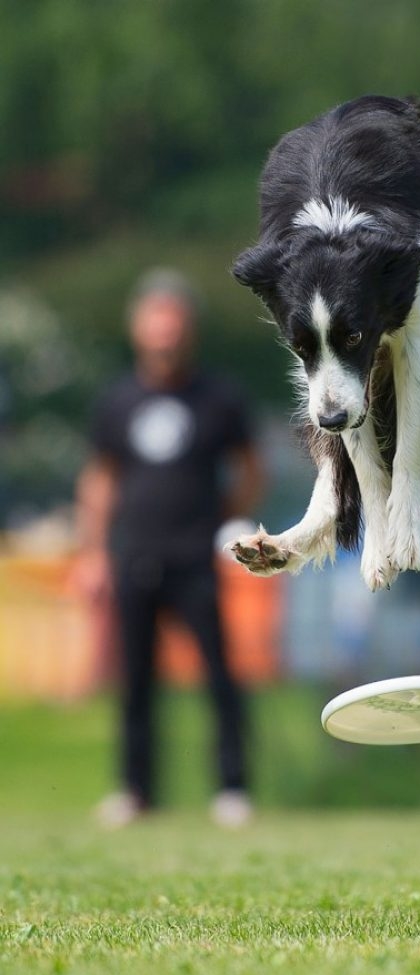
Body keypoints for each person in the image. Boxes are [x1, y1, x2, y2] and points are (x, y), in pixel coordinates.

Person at [75, 269, 264, 828]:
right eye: (155, 321)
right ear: (139, 329)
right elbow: (100, 480)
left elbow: (251, 471)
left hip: (195, 559)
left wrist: (224, 520)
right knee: (135, 681)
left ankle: (232, 788)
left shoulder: (219, 398)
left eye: (173, 322)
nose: (165, 334)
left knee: (219, 675)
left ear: (188, 330)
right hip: (133, 556)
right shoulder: (117, 401)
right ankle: (136, 790)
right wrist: (92, 553)